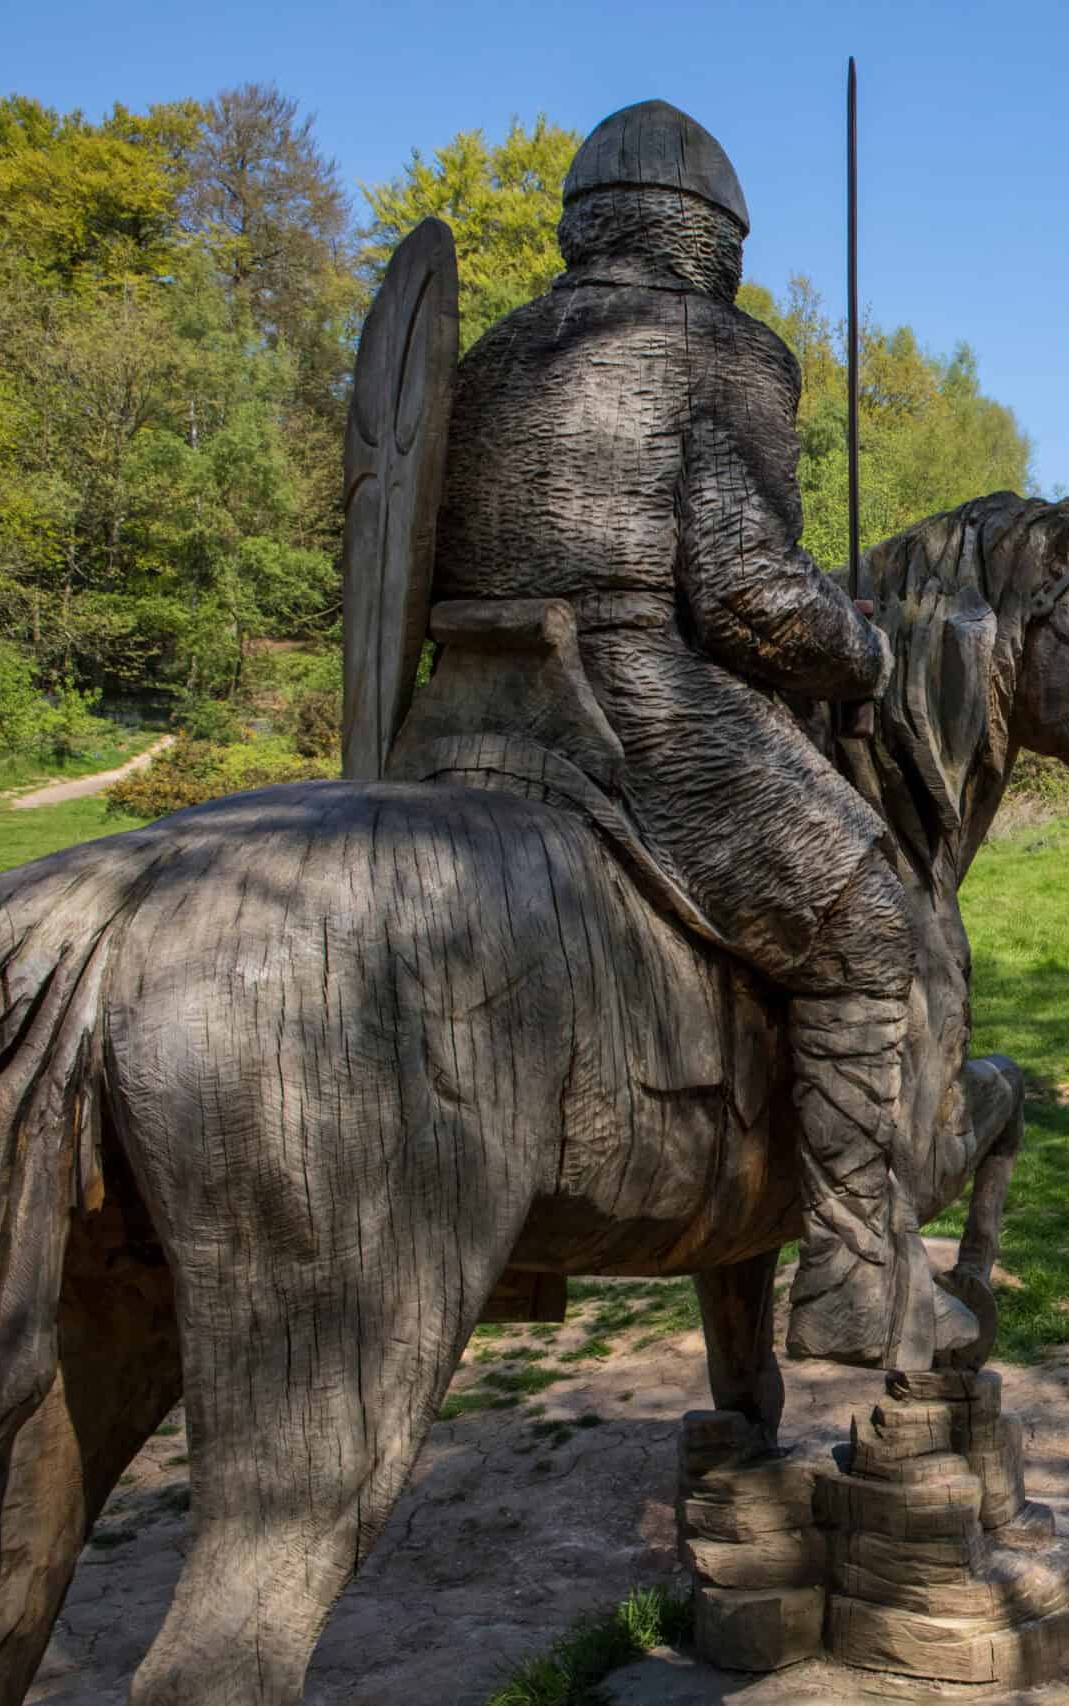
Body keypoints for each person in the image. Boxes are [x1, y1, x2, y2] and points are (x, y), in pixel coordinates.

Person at [428, 99, 970, 1370]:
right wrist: (866, 645)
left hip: (458, 724)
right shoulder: (723, 349)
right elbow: (738, 594)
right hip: (634, 709)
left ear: (586, 224)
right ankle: (850, 1268)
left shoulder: (496, 354)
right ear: (711, 238)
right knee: (873, 922)